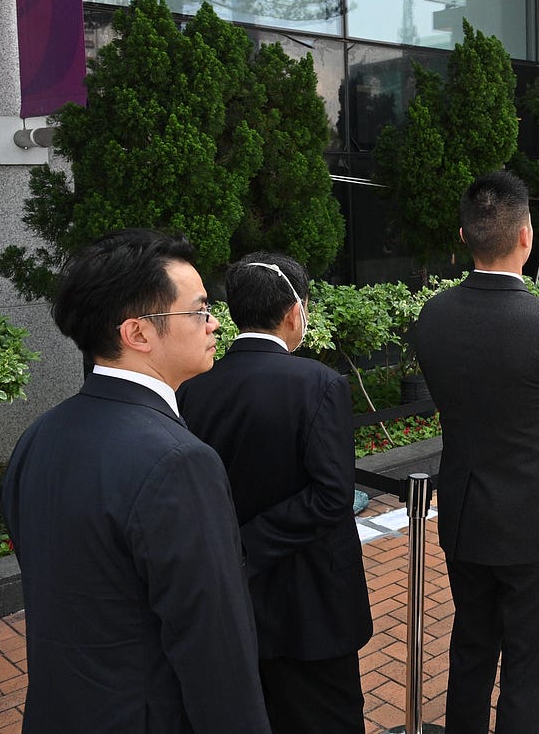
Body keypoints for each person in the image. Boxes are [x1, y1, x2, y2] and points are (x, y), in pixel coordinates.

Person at [0, 229, 269, 734]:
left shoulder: (40, 435)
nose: (214, 323)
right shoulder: (179, 462)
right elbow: (214, 647)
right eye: (200, 311)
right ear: (137, 333)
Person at [411, 171, 539, 734]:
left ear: (464, 236)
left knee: (471, 649)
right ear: (525, 236)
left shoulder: (434, 316)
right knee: (529, 669)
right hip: (536, 522)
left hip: (466, 513)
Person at [179, 253, 373, 734]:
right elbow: (332, 495)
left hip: (234, 595)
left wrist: (236, 548)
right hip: (314, 601)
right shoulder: (320, 383)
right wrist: (251, 543)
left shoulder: (192, 388)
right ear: (294, 312)